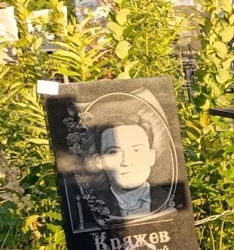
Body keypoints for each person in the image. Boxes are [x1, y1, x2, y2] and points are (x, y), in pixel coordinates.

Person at [69, 90, 177, 229]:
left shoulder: (170, 200)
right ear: (99, 161)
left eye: (137, 150)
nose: (126, 161)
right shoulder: (87, 211)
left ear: (151, 157)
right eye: (114, 152)